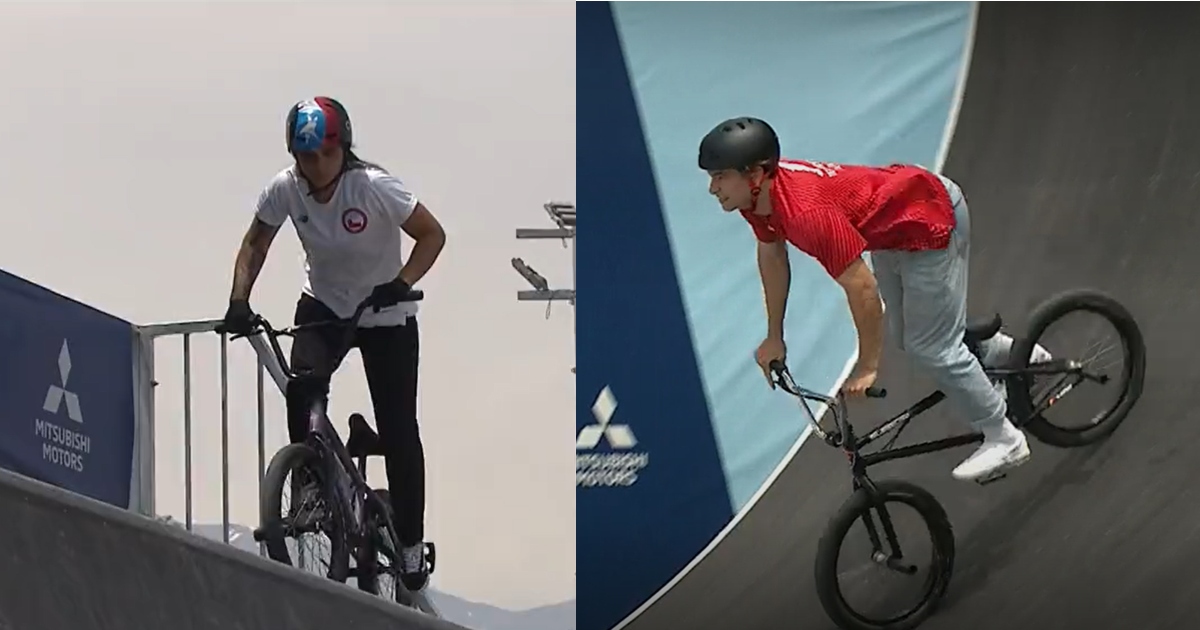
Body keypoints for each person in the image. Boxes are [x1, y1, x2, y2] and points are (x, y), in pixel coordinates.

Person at [697, 116, 1051, 483]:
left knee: (933, 347)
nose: (712, 188)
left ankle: (1004, 437)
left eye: (720, 176)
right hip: (893, 228)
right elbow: (771, 255)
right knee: (909, 337)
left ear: (755, 175)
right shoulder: (758, 200)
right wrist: (774, 336)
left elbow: (862, 288)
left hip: (929, 218)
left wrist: (867, 366)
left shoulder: (807, 213)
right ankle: (1017, 356)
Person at [219, 96, 446, 591]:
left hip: (386, 311)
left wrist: (402, 282)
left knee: (400, 429)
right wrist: (239, 299)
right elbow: (256, 243)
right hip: (324, 304)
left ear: (342, 147)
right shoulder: (285, 189)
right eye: (305, 157)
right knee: (302, 386)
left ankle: (409, 542)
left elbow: (432, 235)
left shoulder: (374, 187)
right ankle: (310, 487)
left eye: (324, 155)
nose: (315, 167)